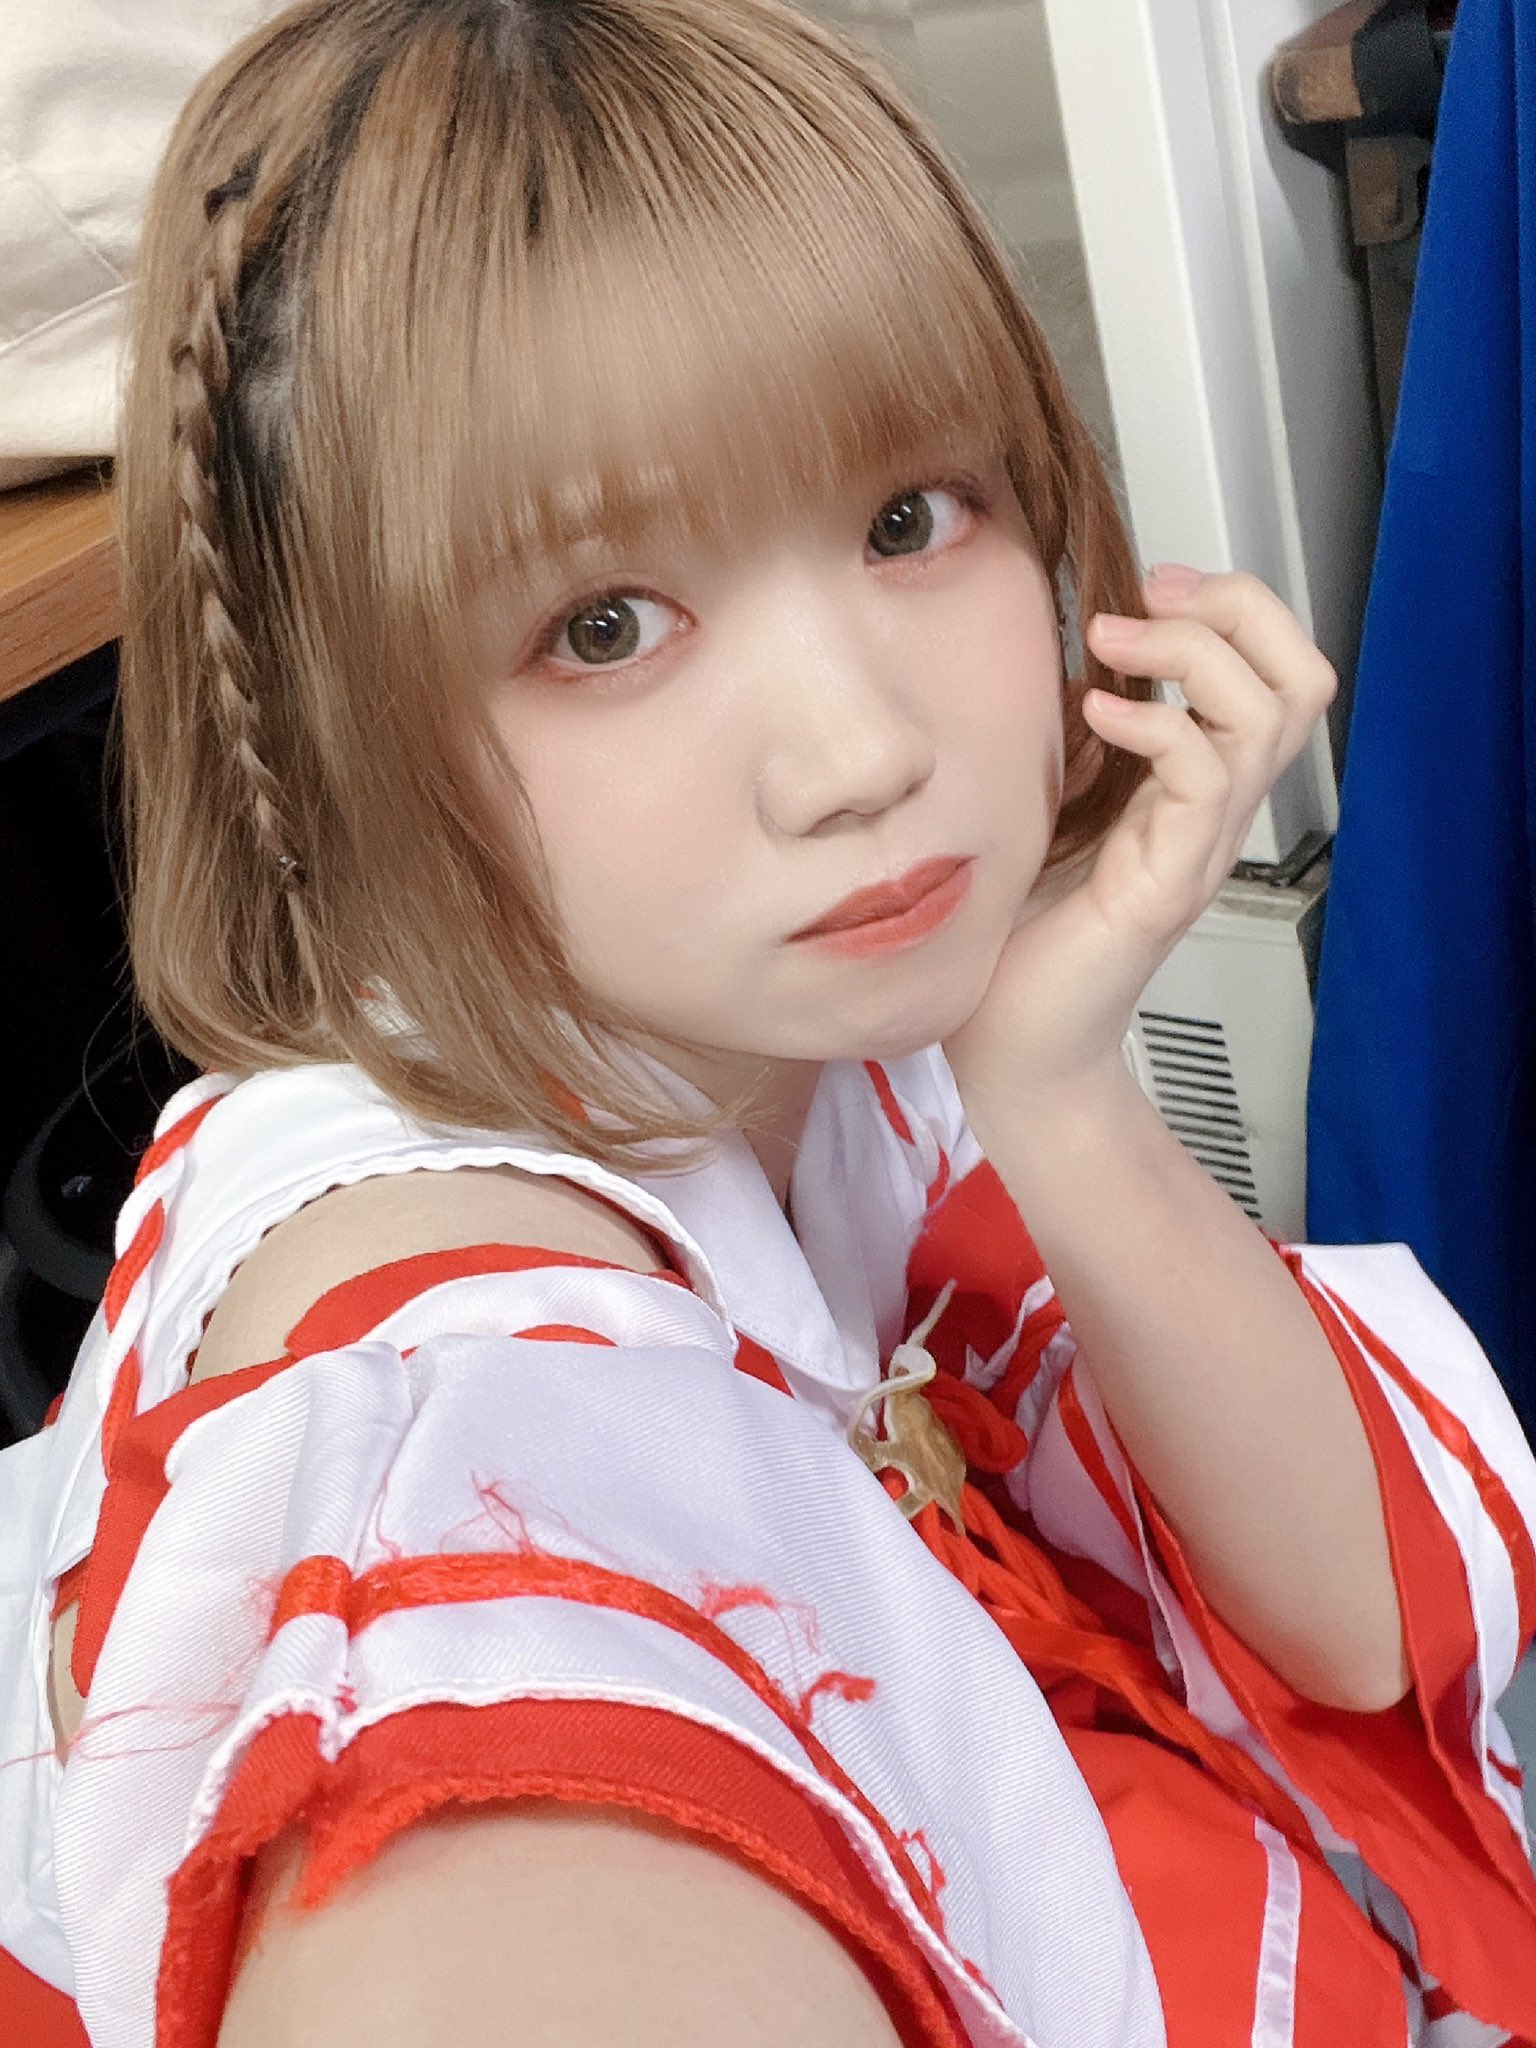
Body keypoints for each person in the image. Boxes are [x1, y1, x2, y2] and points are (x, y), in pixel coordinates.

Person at [2, 2, 1535, 2043]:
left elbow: (1355, 1626)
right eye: (602, 626)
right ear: (335, 718)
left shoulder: (791, 1031)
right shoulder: (448, 1397)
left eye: (910, 517)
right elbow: (508, 1781)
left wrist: (1056, 1079)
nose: (861, 754)